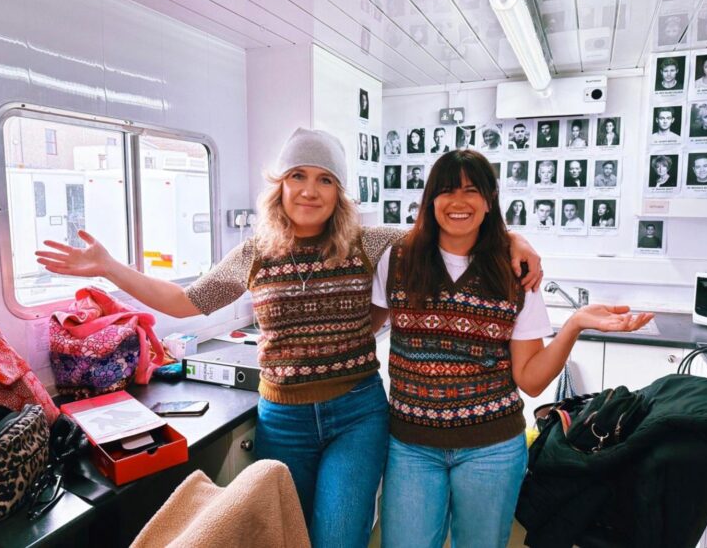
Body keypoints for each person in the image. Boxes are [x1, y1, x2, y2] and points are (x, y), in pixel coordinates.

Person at [33, 128, 544, 547]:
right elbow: (184, 301)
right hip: (284, 420)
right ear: (278, 185)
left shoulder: (371, 242)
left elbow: (452, 226)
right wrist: (108, 267)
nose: (309, 190)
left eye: (324, 179)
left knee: (339, 538)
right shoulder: (255, 252)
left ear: (338, 192)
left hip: (357, 415)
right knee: (287, 536)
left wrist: (516, 241)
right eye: (297, 175)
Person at [370, 149, 652, 548]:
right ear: (431, 199)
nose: (459, 202)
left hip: (490, 450)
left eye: (472, 190)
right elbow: (362, 327)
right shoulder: (397, 260)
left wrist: (574, 324)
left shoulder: (513, 271)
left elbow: (531, 380)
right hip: (411, 447)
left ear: (489, 201)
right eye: (447, 190)